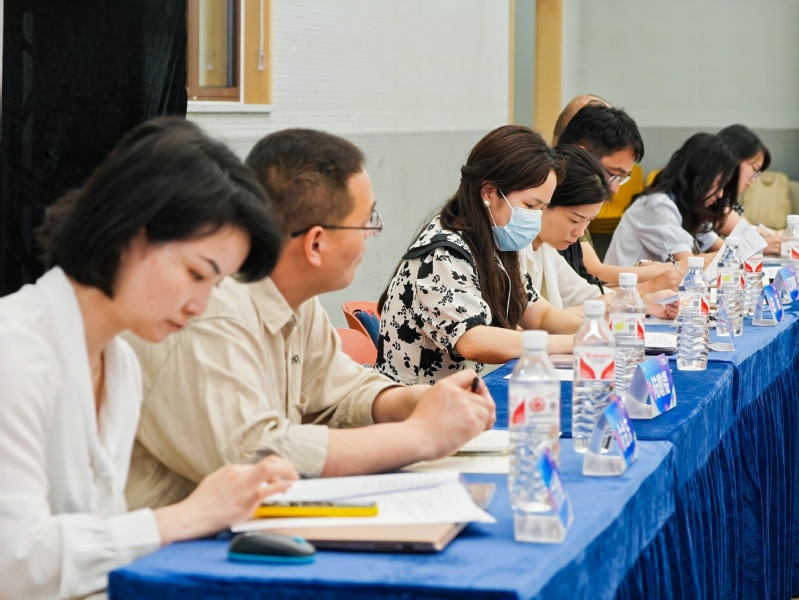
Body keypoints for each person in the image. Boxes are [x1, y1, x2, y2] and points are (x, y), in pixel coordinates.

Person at [0, 118, 299, 599]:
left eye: (216, 285)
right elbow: (14, 562)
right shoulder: (14, 350)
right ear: (127, 231)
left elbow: (95, 557)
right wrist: (189, 515)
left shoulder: (119, 363)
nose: (200, 305)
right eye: (196, 274)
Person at [124, 128, 496, 511]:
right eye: (367, 222)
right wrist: (420, 436)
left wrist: (416, 400)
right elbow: (252, 457)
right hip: (174, 539)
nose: (372, 234)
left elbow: (342, 392)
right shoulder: (211, 310)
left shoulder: (295, 300)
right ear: (315, 243)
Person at [376, 125, 582, 386]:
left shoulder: (496, 243)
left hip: (468, 393)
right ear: (489, 192)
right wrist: (571, 343)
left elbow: (539, 315)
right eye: (530, 205)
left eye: (542, 208)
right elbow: (473, 340)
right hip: (418, 401)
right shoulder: (443, 253)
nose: (535, 217)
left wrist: (596, 333)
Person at [525, 145, 678, 318]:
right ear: (544, 203)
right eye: (574, 220)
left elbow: (582, 292)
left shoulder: (546, 249)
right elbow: (532, 322)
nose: (579, 233)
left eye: (589, 221)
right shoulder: (516, 249)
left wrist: (643, 301)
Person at [555, 103, 684, 291]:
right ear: (581, 155)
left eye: (622, 178)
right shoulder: (559, 205)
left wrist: (649, 284)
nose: (615, 189)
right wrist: (653, 282)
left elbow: (587, 288)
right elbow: (594, 274)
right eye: (613, 174)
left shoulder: (579, 209)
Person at [605, 132, 738, 265]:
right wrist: (723, 256)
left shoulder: (689, 205)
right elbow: (690, 266)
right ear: (698, 176)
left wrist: (729, 255)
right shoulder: (657, 205)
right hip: (623, 279)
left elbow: (722, 248)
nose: (720, 194)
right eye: (718, 183)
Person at [717, 124, 780, 254]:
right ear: (733, 160)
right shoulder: (710, 199)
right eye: (754, 169)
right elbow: (748, 235)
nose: (753, 179)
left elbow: (749, 229)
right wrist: (760, 246)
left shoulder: (727, 199)